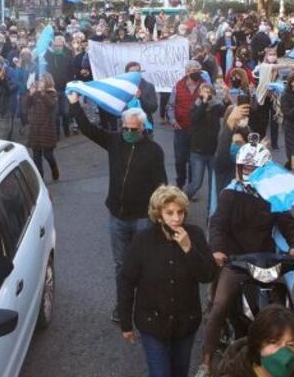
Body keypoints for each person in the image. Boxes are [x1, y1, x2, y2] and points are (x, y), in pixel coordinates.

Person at [197, 141, 294, 376]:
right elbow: (217, 224)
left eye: (252, 167)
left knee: (286, 310)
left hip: (265, 259)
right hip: (236, 261)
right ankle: (206, 361)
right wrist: (217, 249)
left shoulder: (273, 196)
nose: (247, 171)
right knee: (219, 306)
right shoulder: (229, 194)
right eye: (243, 167)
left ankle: (290, 354)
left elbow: (288, 223)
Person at [69, 93, 167, 323]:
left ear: (142, 128)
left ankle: (145, 305)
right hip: (118, 217)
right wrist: (75, 105)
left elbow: (161, 185)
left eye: (134, 129)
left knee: (144, 264)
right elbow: (88, 129)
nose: (129, 133)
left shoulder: (154, 151)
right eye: (126, 128)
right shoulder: (115, 141)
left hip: (143, 217)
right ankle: (123, 306)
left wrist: (161, 216)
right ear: (122, 126)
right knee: (121, 265)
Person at [119, 185, 216, 377]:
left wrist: (188, 248)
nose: (176, 218)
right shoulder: (142, 241)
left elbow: (208, 275)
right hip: (152, 323)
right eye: (169, 212)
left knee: (180, 372)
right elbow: (127, 281)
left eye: (180, 212)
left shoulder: (194, 235)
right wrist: (125, 323)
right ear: (158, 214)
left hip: (185, 323)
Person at [214, 306, 294, 377]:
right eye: (274, 342)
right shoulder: (234, 373)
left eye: (291, 344)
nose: (283, 352)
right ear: (257, 345)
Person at [168, 61, 206, 189]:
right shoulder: (178, 86)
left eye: (198, 69)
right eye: (193, 69)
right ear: (187, 72)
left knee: (193, 160)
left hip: (198, 130)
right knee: (180, 159)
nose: (196, 72)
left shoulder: (205, 86)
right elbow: (171, 106)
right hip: (181, 129)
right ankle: (180, 182)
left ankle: (191, 186)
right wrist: (173, 121)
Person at [184, 83, 222, 206]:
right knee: (196, 183)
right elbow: (195, 118)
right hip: (198, 151)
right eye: (203, 91)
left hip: (213, 150)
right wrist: (204, 102)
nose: (206, 93)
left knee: (213, 185)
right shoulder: (196, 105)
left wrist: (226, 100)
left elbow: (225, 113)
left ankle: (211, 212)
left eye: (208, 91)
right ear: (200, 93)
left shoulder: (217, 105)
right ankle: (181, 201)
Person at [24, 73, 60, 180]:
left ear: (47, 82)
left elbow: (51, 105)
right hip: (35, 129)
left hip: (47, 128)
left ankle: (54, 168)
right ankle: (40, 180)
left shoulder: (52, 93)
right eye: (39, 80)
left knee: (48, 155)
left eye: (42, 81)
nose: (40, 82)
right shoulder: (36, 93)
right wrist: (30, 94)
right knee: (36, 157)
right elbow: (27, 104)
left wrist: (43, 93)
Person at [46, 35, 76, 136]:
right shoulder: (50, 57)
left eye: (59, 45)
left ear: (63, 46)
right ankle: (57, 134)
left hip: (64, 89)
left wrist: (70, 85)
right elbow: (45, 56)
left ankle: (67, 131)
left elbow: (71, 72)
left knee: (65, 112)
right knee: (55, 114)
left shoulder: (66, 57)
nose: (57, 47)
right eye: (56, 45)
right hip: (53, 89)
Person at [126, 62, 158, 127]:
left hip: (144, 126)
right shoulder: (123, 87)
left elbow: (153, 108)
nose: (135, 74)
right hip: (126, 125)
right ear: (126, 73)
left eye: (137, 71)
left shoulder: (149, 86)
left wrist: (141, 97)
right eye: (132, 71)